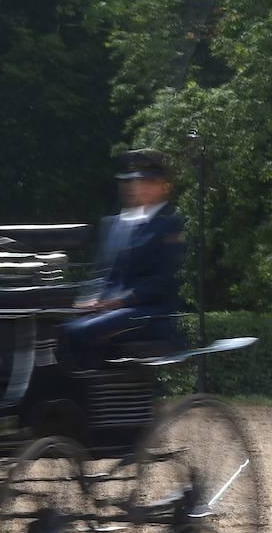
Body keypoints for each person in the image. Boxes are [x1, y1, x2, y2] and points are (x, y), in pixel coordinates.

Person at [63, 149, 188, 369]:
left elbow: (165, 278)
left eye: (150, 182)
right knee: (56, 328)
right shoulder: (117, 223)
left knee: (80, 331)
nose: (142, 187)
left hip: (149, 311)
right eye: (138, 181)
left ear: (165, 187)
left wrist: (121, 300)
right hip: (112, 307)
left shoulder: (171, 224)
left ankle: (86, 391)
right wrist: (88, 299)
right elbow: (103, 272)